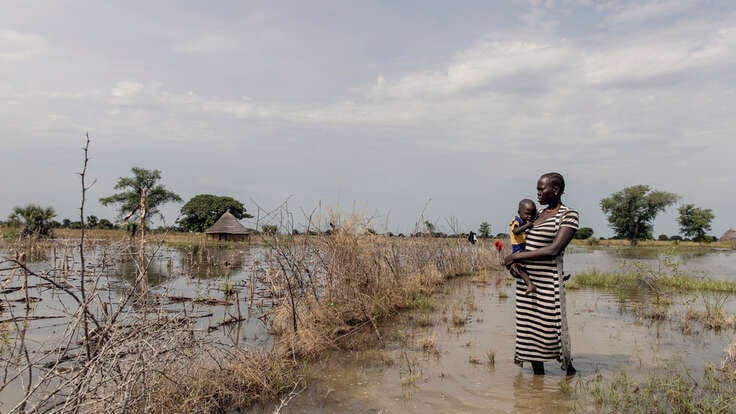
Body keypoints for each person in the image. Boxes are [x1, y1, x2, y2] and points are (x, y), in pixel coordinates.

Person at [503, 172, 578, 376]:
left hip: (548, 283)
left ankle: (569, 373)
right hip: (526, 285)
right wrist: (515, 266)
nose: (537, 193)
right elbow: (521, 240)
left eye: (541, 189)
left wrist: (516, 258)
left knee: (553, 330)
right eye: (537, 189)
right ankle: (539, 380)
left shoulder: (568, 215)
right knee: (529, 332)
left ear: (555, 190)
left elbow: (554, 249)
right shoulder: (537, 215)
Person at [508, 199, 537, 294]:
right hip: (517, 249)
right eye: (527, 214)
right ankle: (530, 284)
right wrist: (528, 225)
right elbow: (516, 231)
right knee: (518, 267)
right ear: (519, 212)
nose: (530, 216)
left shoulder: (524, 221)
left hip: (523, 248)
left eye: (532, 214)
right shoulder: (516, 221)